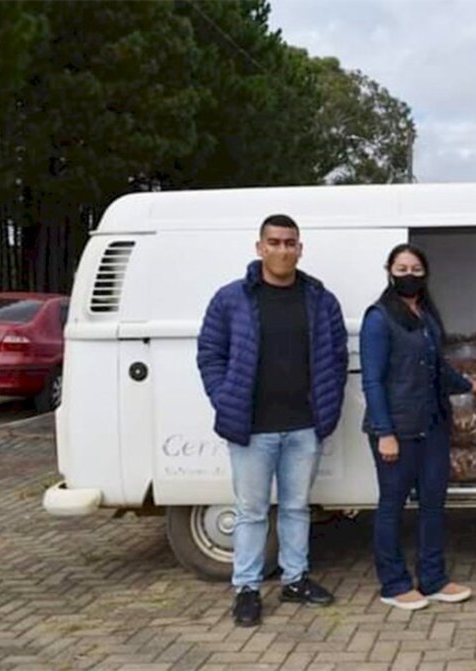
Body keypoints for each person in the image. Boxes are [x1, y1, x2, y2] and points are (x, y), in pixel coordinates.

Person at [197, 214, 348, 627]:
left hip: (304, 425)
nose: (283, 250)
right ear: (259, 247)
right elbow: (210, 353)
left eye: (290, 243)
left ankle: (295, 580)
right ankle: (247, 588)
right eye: (275, 242)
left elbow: (336, 356)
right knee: (252, 511)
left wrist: (328, 407)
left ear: (300, 248)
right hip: (251, 427)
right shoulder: (232, 299)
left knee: (297, 508)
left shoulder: (320, 300)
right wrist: (223, 396)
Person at [360, 243, 476, 611]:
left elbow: (437, 368)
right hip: (396, 430)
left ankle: (433, 579)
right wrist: (384, 433)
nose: (409, 274)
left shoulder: (427, 315)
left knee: (433, 505)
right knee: (392, 507)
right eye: (402, 268)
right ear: (389, 271)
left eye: (416, 268)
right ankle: (394, 584)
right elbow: (372, 381)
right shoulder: (379, 317)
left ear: (425, 273)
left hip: (432, 425)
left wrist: (467, 385)